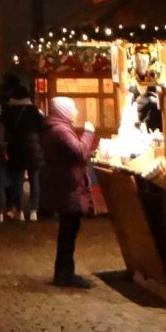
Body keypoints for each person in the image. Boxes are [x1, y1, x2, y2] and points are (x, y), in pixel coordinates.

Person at [42, 97, 96, 288]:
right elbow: (80, 152)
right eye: (73, 109)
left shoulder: (54, 129)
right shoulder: (61, 131)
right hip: (68, 186)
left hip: (63, 185)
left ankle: (64, 272)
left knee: (68, 230)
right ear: (64, 112)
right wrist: (89, 132)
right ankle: (65, 274)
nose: (76, 113)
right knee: (68, 231)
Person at [4, 85, 45, 221]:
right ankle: (34, 211)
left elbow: (7, 130)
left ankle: (19, 211)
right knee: (34, 181)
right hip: (34, 149)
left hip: (17, 149)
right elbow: (42, 128)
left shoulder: (10, 112)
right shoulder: (34, 111)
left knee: (18, 181)